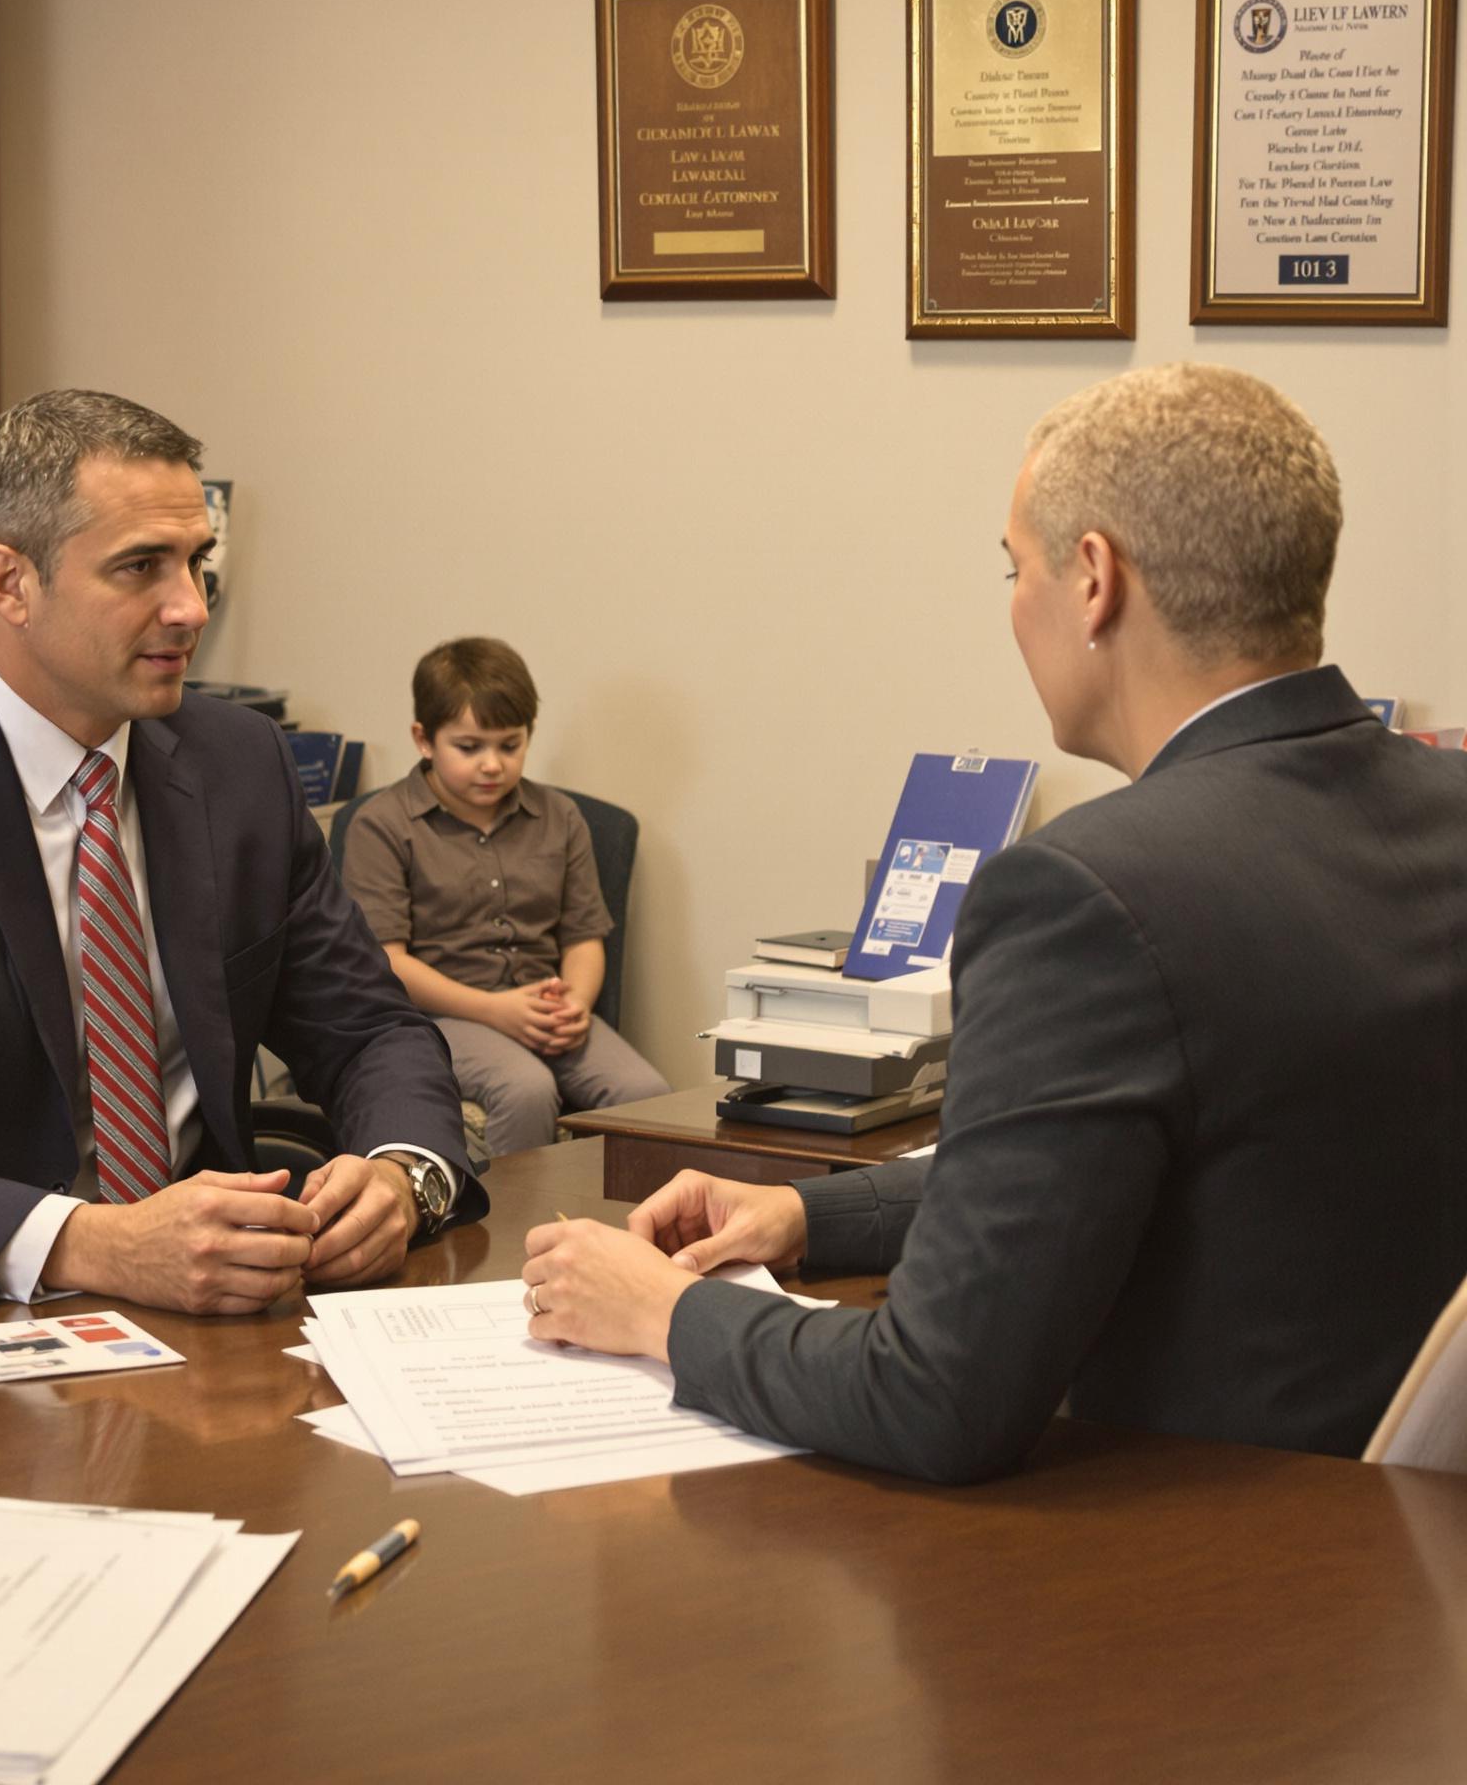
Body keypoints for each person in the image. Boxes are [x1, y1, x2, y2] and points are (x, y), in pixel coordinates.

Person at [522, 362, 1467, 1480]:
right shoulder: (1440, 810)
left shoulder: (1083, 891)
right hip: (1399, 1564)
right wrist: (805, 1214)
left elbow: (931, 1396)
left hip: (1194, 1570)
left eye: (1012, 566)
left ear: (1092, 580)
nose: (1010, 603)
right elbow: (1144, 1163)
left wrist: (663, 1312)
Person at [0, 390, 483, 1313]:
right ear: (10, 584)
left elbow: (368, 1029)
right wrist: (91, 1244)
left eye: (197, 563)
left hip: (216, 1314)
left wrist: (404, 1172)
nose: (191, 607)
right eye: (141, 568)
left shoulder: (239, 764)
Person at [339, 637, 667, 1155]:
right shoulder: (381, 825)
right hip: (439, 1017)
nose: (492, 764)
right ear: (424, 739)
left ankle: (626, 1232)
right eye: (469, 748)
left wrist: (575, 1005)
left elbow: (584, 937)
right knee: (525, 1089)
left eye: (509, 745)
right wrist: (495, 1011)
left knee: (647, 1095)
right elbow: (388, 961)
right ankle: (518, 1234)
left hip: (544, 1007)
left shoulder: (559, 818)